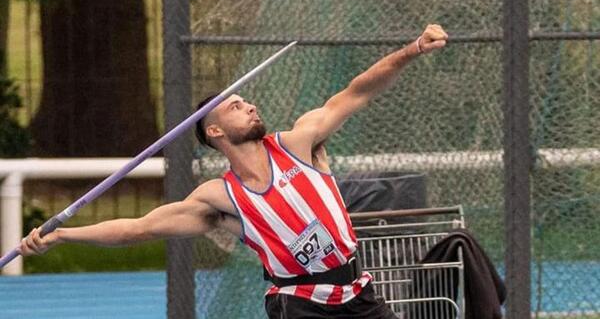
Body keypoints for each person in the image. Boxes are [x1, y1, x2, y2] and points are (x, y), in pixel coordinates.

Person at [20, 24, 448, 318]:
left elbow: (357, 93)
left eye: (247, 101)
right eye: (236, 106)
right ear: (216, 130)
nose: (250, 106)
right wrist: (60, 235)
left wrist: (412, 50)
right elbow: (140, 228)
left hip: (358, 293)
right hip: (299, 304)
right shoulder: (218, 199)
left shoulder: (299, 143)